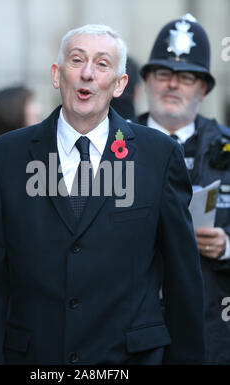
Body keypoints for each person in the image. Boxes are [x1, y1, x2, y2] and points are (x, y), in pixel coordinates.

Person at [0, 24, 205, 365]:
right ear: (57, 75)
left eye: (102, 64)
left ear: (119, 85)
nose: (87, 73)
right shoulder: (2, 159)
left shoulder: (159, 157)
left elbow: (183, 284)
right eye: (77, 60)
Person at [135, 14, 230, 364]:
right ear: (146, 81)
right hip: (130, 334)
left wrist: (227, 245)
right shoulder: (110, 147)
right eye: (163, 74)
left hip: (212, 333)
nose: (173, 85)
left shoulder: (228, 149)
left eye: (187, 76)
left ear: (203, 88)